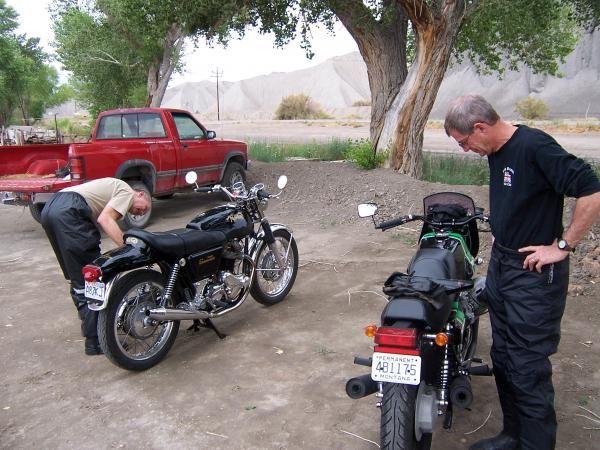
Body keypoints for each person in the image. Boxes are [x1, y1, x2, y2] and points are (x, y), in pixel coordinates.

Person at [444, 94, 600, 450]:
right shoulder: (496, 152)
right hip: (504, 264)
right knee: (504, 356)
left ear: (480, 127)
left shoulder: (535, 146)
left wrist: (562, 247)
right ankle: (512, 436)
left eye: (465, 142)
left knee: (527, 366)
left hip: (533, 274)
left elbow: (592, 191)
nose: (466, 150)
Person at [41, 178, 151, 356]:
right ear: (139, 194)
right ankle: (96, 341)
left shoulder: (111, 189)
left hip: (51, 207)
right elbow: (106, 219)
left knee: (78, 277)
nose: (140, 212)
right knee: (95, 279)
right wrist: (131, 248)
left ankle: (91, 330)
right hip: (71, 209)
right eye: (143, 207)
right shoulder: (126, 192)